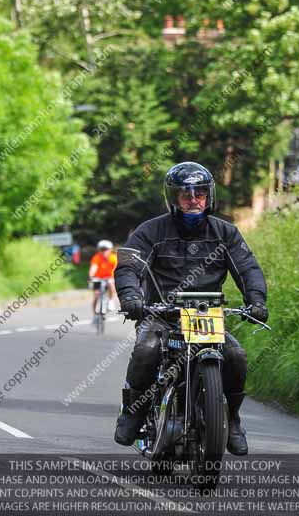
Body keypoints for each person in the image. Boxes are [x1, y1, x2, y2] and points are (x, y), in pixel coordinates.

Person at [114, 161, 268, 455]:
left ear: (209, 197)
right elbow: (128, 267)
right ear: (173, 198)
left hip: (205, 316)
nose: (194, 199)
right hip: (161, 315)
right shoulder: (151, 231)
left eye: (200, 193)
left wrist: (257, 300)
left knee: (235, 354)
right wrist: (132, 298)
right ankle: (133, 413)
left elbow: (248, 269)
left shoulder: (226, 233)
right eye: (186, 194)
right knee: (146, 348)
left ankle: (232, 421)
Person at [88, 239, 118, 315]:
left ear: (110, 250)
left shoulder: (113, 257)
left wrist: (116, 277)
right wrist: (90, 276)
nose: (104, 251)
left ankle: (111, 301)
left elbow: (117, 268)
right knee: (96, 295)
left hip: (109, 278)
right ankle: (95, 314)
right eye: (102, 249)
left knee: (111, 284)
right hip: (98, 278)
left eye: (106, 249)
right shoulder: (97, 257)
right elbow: (93, 267)